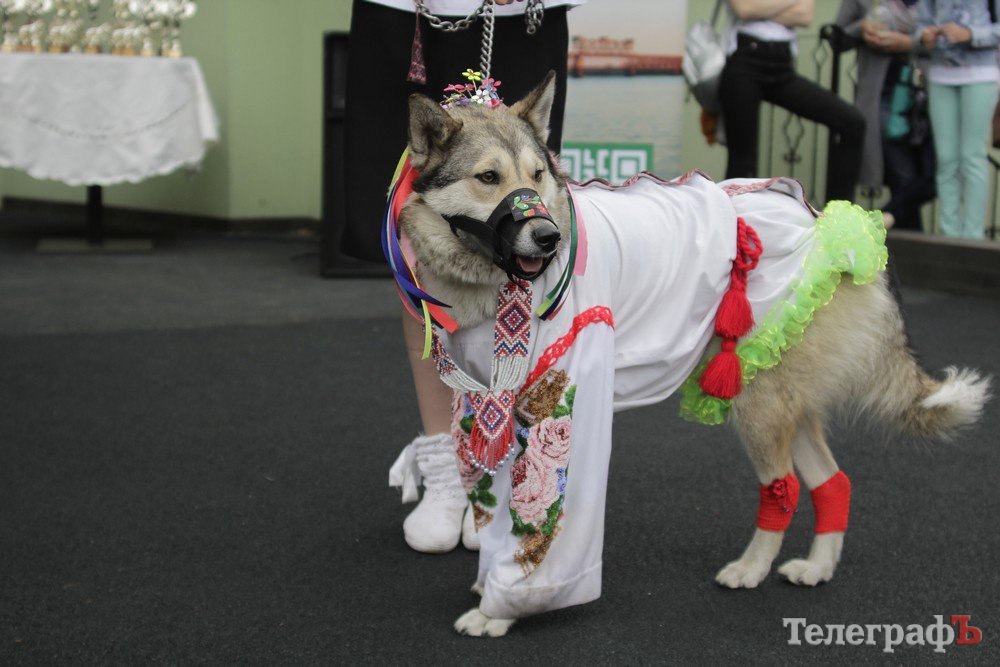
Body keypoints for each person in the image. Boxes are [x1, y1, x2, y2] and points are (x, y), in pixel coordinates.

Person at [342, 0, 580, 554]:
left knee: (515, 228)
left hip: (522, 15)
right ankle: (446, 466)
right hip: (409, 19)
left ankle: (496, 463)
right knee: (417, 238)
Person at [719, 0, 866, 203]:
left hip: (783, 65)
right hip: (744, 60)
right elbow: (745, 9)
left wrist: (761, 9)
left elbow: (805, 16)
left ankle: (838, 213)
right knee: (742, 162)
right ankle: (735, 217)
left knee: (852, 121)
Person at [836, 0, 936, 231]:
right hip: (885, 96)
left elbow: (953, 42)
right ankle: (896, 235)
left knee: (937, 174)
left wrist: (909, 43)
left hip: (931, 97)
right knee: (903, 176)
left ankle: (877, 223)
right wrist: (862, 27)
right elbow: (836, 37)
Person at [916, 0, 999, 239]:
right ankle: (949, 234)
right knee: (946, 159)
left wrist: (970, 34)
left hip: (980, 73)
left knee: (972, 155)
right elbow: (920, 25)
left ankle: (973, 237)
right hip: (940, 74)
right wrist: (924, 36)